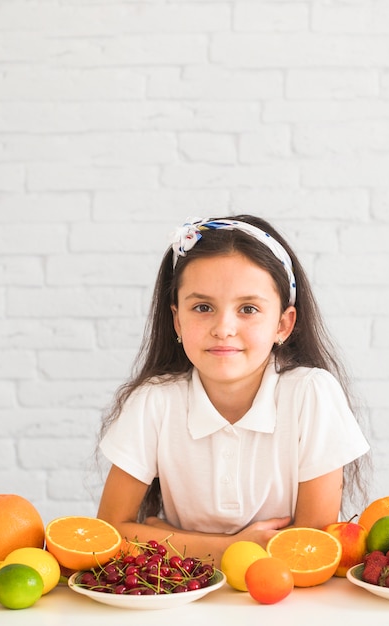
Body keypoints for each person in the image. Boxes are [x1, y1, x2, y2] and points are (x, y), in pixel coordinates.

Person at [96, 215, 371, 565]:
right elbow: (107, 533)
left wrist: (168, 538)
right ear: (177, 320)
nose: (224, 328)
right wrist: (232, 547)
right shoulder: (154, 401)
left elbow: (309, 546)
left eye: (248, 309)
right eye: (203, 307)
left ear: (283, 325)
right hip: (182, 593)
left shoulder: (311, 394)